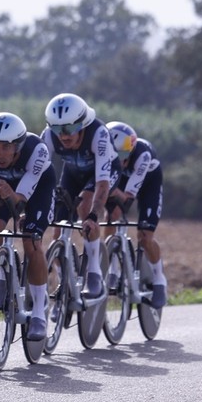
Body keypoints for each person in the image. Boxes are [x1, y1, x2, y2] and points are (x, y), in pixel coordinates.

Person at [0, 112, 56, 342]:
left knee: (31, 241)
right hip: (3, 186)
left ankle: (39, 310)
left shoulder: (37, 150)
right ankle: (3, 271)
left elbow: (20, 200)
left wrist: (14, 197)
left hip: (36, 188)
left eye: (6, 147)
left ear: (18, 145)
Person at [40, 92, 118, 299]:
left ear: (83, 123)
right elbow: (37, 174)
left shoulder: (98, 134)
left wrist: (93, 216)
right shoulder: (48, 136)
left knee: (84, 207)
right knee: (58, 228)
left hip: (102, 174)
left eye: (70, 129)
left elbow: (102, 182)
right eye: (57, 129)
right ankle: (65, 281)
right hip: (73, 173)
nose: (64, 136)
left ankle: (93, 273)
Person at [105, 121, 167, 308]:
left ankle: (159, 280)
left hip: (149, 184)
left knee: (145, 236)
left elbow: (128, 196)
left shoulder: (143, 155)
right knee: (111, 217)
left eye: (123, 156)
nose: (119, 161)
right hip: (123, 180)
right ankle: (113, 269)